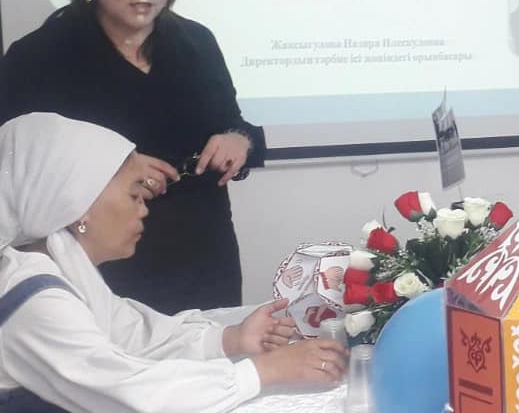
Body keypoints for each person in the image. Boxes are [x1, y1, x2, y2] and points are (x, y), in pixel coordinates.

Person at [0, 0, 265, 312]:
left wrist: (238, 140)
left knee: (215, 345)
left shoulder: (197, 43)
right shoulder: (39, 56)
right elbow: (15, 167)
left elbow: (233, 123)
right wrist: (112, 168)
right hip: (100, 254)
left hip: (203, 247)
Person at [0, 112, 347, 413]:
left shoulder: (62, 273)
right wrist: (264, 371)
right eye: (135, 195)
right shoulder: (33, 299)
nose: (143, 210)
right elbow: (129, 393)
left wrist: (231, 339)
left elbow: (135, 338)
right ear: (78, 204)